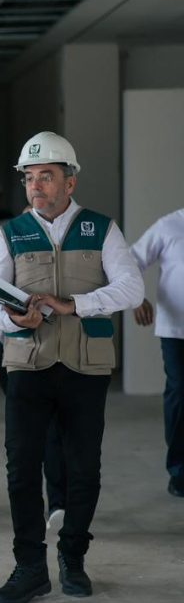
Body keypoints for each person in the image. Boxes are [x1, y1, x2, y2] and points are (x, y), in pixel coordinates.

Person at [0, 131, 143, 603]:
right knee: (21, 471)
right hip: (28, 364)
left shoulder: (101, 229)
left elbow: (131, 289)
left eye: (46, 177)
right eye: (30, 178)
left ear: (69, 183)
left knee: (83, 469)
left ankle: (73, 557)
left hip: (84, 368)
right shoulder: (10, 232)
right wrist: (11, 316)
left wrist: (73, 304)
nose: (36, 186)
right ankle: (29, 566)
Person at [130, 208, 184, 497]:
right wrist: (137, 297)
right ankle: (179, 471)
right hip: (176, 330)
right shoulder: (168, 225)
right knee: (179, 392)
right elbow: (131, 261)